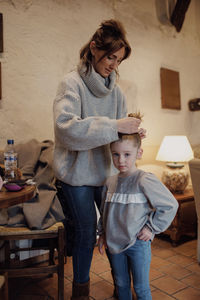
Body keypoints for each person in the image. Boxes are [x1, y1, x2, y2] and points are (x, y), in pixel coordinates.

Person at [53, 19, 146, 300]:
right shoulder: (71, 83)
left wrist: (134, 137)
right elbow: (66, 130)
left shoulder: (117, 93)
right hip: (77, 176)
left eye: (118, 60)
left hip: (108, 175)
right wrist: (115, 125)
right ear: (94, 48)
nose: (114, 65)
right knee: (84, 234)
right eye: (110, 57)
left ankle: (122, 290)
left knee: (116, 230)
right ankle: (80, 292)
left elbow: (119, 137)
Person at [97, 123, 179, 300]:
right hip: (114, 244)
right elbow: (105, 212)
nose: (121, 160)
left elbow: (170, 205)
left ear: (138, 153)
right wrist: (102, 234)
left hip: (137, 244)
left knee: (141, 288)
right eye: (116, 154)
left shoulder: (144, 179)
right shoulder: (109, 182)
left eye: (127, 154)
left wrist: (151, 228)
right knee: (120, 284)